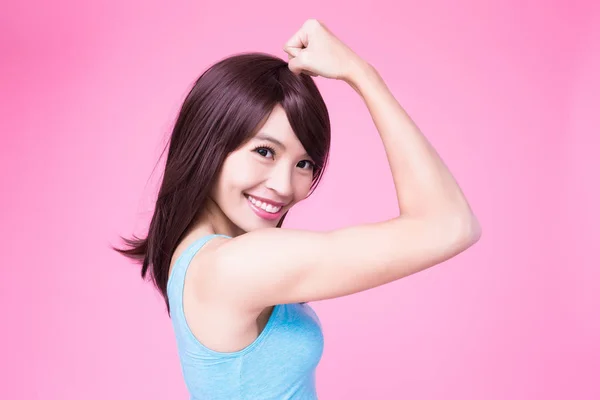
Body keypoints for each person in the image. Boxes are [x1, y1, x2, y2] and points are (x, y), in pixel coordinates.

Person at [113, 19, 481, 400]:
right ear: (209, 144)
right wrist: (363, 76)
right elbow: (450, 225)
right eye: (264, 152)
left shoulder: (203, 256)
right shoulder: (234, 265)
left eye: (304, 163)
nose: (285, 186)